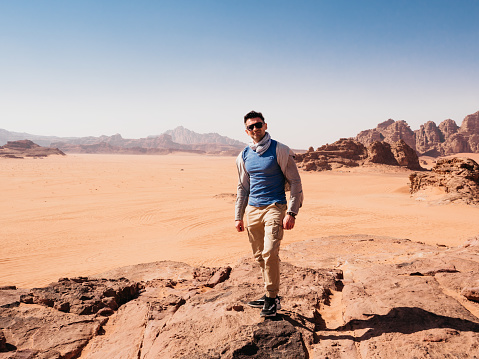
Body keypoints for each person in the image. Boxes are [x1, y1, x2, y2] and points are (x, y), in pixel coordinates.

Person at [235, 110, 303, 317]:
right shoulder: (244, 155)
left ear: (265, 126)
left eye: (258, 125)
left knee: (270, 252)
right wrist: (238, 215)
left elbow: (295, 182)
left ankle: (272, 298)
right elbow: (243, 187)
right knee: (259, 257)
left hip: (275, 206)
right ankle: (268, 293)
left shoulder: (280, 150)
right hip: (253, 210)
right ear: (246, 131)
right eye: (251, 127)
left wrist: (291, 212)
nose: (255, 129)